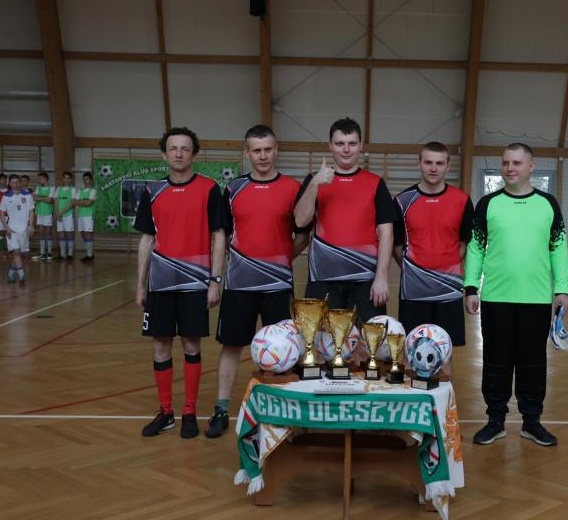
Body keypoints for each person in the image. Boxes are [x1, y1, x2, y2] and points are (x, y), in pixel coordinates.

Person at [204, 124, 310, 439]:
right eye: (256, 150)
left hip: (278, 286)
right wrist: (216, 279)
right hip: (239, 286)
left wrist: (280, 260)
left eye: (268, 150)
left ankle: (285, 415)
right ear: (247, 153)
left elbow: (303, 235)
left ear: (276, 150)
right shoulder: (233, 189)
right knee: (231, 346)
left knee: (286, 351)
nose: (263, 156)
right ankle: (221, 409)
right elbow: (221, 238)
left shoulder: (292, 188)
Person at [465, 143, 568, 448]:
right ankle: (495, 421)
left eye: (517, 163)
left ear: (531, 167)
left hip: (536, 300)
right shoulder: (488, 204)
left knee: (533, 364)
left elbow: (558, 248)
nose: (510, 168)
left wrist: (562, 288)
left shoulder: (548, 204)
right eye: (506, 163)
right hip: (495, 298)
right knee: (495, 363)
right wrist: (471, 287)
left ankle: (532, 422)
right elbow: (475, 247)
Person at [134, 127, 226, 439]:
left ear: (194, 154)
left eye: (185, 148)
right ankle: (166, 412)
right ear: (164, 154)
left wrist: (215, 281)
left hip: (196, 283)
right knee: (160, 345)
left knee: (190, 344)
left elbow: (219, 236)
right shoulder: (152, 191)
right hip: (160, 284)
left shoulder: (209, 189)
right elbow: (147, 239)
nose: (178, 153)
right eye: (173, 148)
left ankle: (189, 412)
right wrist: (140, 284)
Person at [294, 117, 396, 320]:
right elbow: (300, 221)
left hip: (365, 280)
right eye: (340, 144)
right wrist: (314, 185)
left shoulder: (376, 183)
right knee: (322, 339)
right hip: (323, 279)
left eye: (352, 143)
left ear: (361, 145)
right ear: (330, 146)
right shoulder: (314, 180)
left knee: (365, 339)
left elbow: (387, 234)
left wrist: (382, 277)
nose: (346, 150)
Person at [393, 142, 473, 378]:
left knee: (444, 351)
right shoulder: (402, 201)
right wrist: (416, 272)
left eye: (439, 163)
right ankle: (409, 399)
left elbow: (464, 244)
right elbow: (396, 245)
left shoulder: (462, 200)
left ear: (448, 166)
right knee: (411, 350)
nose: (433, 168)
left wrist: (443, 270)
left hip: (448, 290)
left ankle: (444, 400)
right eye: (428, 162)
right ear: (419, 163)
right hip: (413, 291)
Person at [0, 175, 34, 283]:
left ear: (20, 183)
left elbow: (31, 211)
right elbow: (1, 213)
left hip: (24, 230)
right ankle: (21, 275)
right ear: (9, 184)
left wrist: (31, 226)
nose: (16, 185)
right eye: (13, 183)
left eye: (17, 182)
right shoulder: (6, 196)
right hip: (12, 229)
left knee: (18, 254)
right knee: (16, 252)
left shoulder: (27, 195)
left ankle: (10, 274)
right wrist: (6, 227)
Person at [33, 172, 56, 260]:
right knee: (41, 233)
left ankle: (49, 252)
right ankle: (42, 252)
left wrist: (40, 198)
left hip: (48, 212)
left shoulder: (52, 188)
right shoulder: (38, 188)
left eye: (40, 178)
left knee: (48, 233)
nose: (39, 180)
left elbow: (50, 200)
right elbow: (34, 198)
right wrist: (44, 198)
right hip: (39, 212)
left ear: (46, 179)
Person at [55, 171, 77, 260]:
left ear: (70, 179)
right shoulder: (59, 189)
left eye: (68, 178)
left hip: (68, 215)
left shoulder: (73, 189)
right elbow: (56, 202)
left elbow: (72, 203)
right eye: (65, 178)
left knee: (69, 234)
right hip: (59, 215)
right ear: (63, 179)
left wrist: (60, 213)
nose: (67, 180)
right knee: (61, 234)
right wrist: (58, 214)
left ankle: (70, 254)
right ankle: (62, 254)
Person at [76, 172, 97, 262]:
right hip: (81, 214)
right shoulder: (80, 191)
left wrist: (81, 202)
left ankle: (89, 255)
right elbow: (75, 202)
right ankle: (90, 252)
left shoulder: (93, 191)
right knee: (82, 233)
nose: (85, 181)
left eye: (87, 179)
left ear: (91, 180)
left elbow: (89, 203)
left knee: (88, 234)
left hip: (89, 215)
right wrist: (84, 202)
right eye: (84, 179)